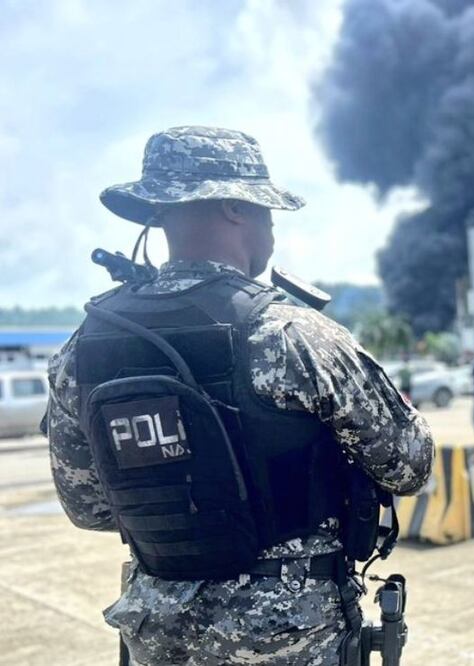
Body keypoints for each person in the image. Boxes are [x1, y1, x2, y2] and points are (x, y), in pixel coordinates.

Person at [46, 126, 434, 665]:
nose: (271, 229)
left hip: (160, 638)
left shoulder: (82, 349)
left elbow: (87, 508)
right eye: (266, 212)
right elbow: (409, 466)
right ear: (234, 207)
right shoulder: (292, 334)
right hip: (290, 639)